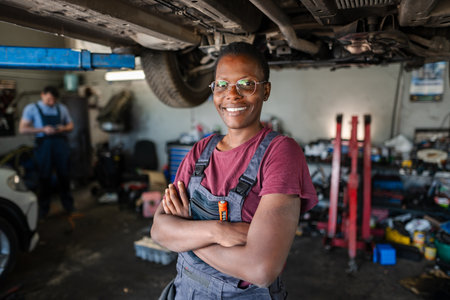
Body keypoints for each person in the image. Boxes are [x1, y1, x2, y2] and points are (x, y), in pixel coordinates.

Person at [151, 42, 318, 299]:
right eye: (221, 84)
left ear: (266, 90)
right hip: (185, 291)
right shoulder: (201, 150)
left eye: (246, 83)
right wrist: (219, 231)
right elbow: (159, 230)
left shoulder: (281, 153)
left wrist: (186, 232)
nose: (232, 94)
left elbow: (260, 268)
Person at [19, 86, 75, 217]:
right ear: (42, 95)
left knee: (64, 175)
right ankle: (44, 209)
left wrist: (63, 128)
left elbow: (71, 125)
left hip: (60, 144)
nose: (51, 103)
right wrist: (42, 130)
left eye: (54, 100)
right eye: (49, 99)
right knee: (44, 177)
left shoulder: (61, 108)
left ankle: (69, 206)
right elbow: (22, 129)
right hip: (43, 145)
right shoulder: (31, 108)